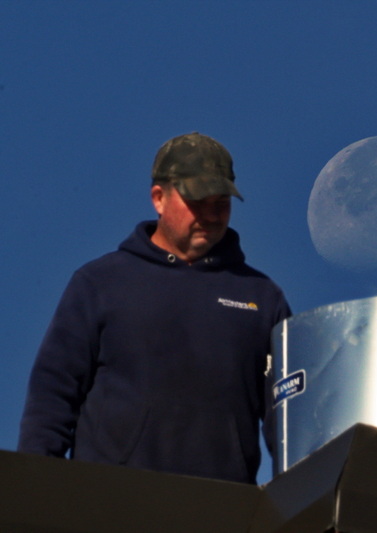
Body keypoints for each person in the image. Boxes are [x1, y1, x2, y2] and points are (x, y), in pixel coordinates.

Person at [18, 132, 291, 483]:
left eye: (220, 202)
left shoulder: (263, 298)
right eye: (197, 201)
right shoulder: (100, 283)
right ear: (158, 198)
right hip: (108, 505)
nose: (211, 215)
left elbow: (289, 420)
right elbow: (52, 396)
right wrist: (32, 492)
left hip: (223, 511)